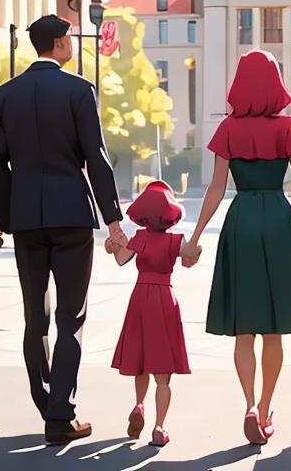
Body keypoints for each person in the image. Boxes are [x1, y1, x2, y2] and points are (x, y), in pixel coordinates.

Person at [0, 14, 125, 446]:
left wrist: (7, 218)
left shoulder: (4, 95)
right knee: (71, 316)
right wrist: (113, 220)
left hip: (26, 216)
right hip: (71, 213)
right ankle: (61, 414)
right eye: (69, 39)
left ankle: (46, 403)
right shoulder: (79, 90)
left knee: (34, 318)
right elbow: (96, 158)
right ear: (61, 43)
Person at [185, 50, 291, 446]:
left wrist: (195, 237)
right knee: (274, 328)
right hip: (278, 221)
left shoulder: (228, 130)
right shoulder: (286, 127)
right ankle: (266, 408)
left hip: (242, 217)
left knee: (244, 329)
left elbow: (216, 188)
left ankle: (248, 403)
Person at [106, 180, 193, 448]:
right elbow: (189, 260)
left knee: (140, 357)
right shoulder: (176, 240)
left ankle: (139, 405)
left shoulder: (140, 238)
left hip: (140, 297)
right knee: (163, 368)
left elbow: (121, 259)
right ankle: (159, 427)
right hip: (165, 298)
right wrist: (195, 252)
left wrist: (113, 246)